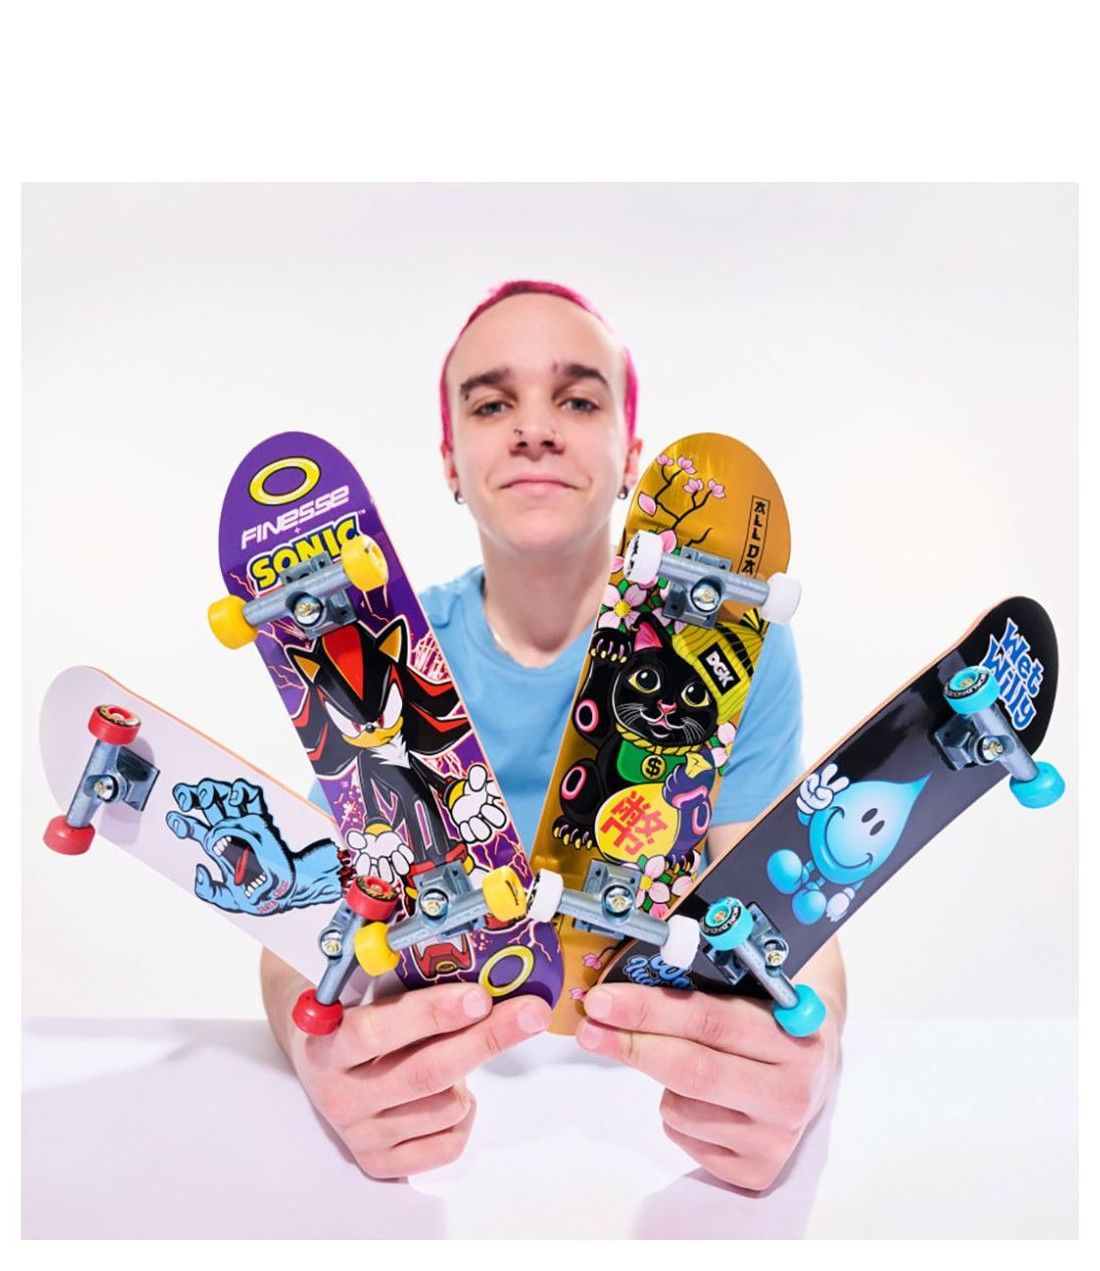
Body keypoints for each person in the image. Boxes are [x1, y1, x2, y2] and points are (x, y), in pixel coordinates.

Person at [260, 280, 846, 1190]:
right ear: (450, 463)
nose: (534, 428)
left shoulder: (729, 647)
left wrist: (811, 1058)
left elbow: (781, 893)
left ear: (631, 455)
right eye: (492, 404)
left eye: (577, 400)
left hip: (642, 1103)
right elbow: (306, 920)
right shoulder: (381, 657)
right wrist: (318, 1054)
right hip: (455, 1093)